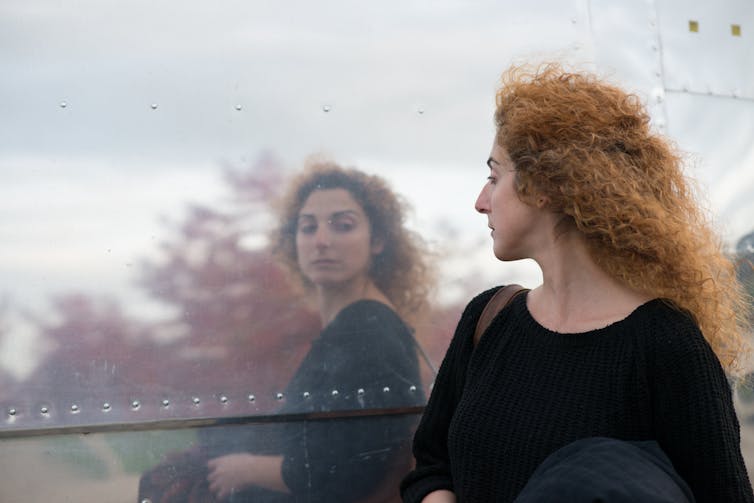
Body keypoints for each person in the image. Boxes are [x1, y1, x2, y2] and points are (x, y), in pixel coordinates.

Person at [400, 63, 754, 502]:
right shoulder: (489, 318)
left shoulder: (668, 346)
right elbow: (430, 468)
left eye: (494, 176)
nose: (480, 202)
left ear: (543, 186)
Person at [204, 161, 431, 502]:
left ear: (378, 240)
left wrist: (247, 468)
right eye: (308, 227)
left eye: (343, 225)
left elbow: (350, 467)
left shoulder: (367, 329)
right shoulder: (356, 325)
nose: (321, 241)